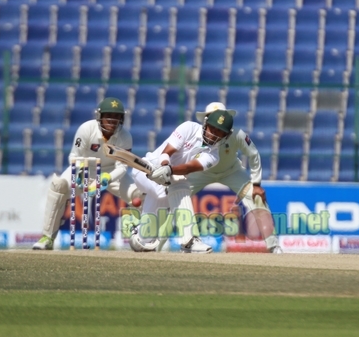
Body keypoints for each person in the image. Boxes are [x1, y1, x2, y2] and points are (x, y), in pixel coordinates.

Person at [33, 97, 141, 250]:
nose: (112, 120)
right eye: (108, 116)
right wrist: (80, 172)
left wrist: (107, 178)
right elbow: (74, 156)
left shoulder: (125, 137)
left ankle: (143, 239)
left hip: (111, 173)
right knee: (58, 186)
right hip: (84, 168)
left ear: (122, 119)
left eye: (116, 117)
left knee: (139, 195)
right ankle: (47, 237)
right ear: (100, 117)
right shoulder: (86, 129)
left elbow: (122, 167)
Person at [128, 109, 234, 254]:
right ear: (205, 123)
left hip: (166, 185)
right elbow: (166, 153)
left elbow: (189, 167)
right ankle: (189, 241)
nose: (213, 134)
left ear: (226, 135)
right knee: (180, 184)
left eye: (220, 132)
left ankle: (139, 234)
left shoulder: (214, 157)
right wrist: (164, 167)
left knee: (144, 241)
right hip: (146, 170)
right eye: (212, 128)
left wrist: (169, 171)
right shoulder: (189, 127)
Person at [186, 102, 280, 253]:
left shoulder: (237, 135)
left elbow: (253, 154)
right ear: (205, 120)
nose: (218, 124)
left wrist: (256, 184)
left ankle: (274, 246)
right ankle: (155, 242)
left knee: (256, 199)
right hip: (201, 172)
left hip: (231, 171)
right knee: (175, 194)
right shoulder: (195, 134)